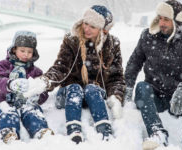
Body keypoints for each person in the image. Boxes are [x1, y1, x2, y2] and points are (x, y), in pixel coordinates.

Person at [23, 5, 125, 144]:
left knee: (92, 88)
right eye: (85, 23)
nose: (86, 29)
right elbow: (61, 68)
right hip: (68, 94)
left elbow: (116, 77)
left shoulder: (112, 44)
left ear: (103, 30)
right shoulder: (72, 40)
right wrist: (45, 81)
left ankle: (104, 129)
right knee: (75, 88)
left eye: (92, 27)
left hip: (94, 96)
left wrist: (116, 97)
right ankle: (74, 130)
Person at [124, 1, 182, 150]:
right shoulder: (148, 36)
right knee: (142, 87)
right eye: (160, 18)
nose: (161, 23)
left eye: (166, 19)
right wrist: (127, 89)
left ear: (178, 21)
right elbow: (134, 63)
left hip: (180, 100)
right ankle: (157, 133)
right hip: (154, 98)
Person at [0, 31, 54, 144]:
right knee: (7, 111)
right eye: (22, 51)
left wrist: (38, 97)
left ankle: (40, 130)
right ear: (14, 49)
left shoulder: (36, 71)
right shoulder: (4, 65)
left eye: (29, 52)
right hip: (6, 100)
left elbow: (43, 90)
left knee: (32, 111)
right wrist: (9, 84)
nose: (26, 54)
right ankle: (8, 132)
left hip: (26, 102)